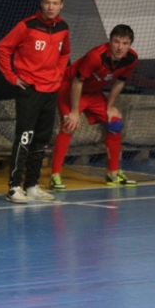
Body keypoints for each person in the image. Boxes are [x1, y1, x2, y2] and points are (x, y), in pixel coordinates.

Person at [0, 0, 70, 203]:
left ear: (61, 5)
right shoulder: (26, 26)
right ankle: (14, 187)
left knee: (42, 141)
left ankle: (31, 185)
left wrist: (58, 75)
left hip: (50, 91)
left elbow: (65, 53)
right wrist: (12, 77)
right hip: (29, 92)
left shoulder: (63, 28)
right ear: (41, 3)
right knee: (25, 138)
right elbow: (2, 48)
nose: (50, 7)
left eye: (55, 3)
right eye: (47, 2)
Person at [50, 25, 139, 190]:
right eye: (116, 42)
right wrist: (74, 112)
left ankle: (113, 174)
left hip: (93, 93)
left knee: (115, 123)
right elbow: (77, 82)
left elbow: (120, 82)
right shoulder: (96, 56)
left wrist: (110, 107)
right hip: (70, 88)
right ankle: (55, 175)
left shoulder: (132, 59)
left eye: (125, 43)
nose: (120, 47)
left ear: (130, 44)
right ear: (110, 41)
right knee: (69, 125)